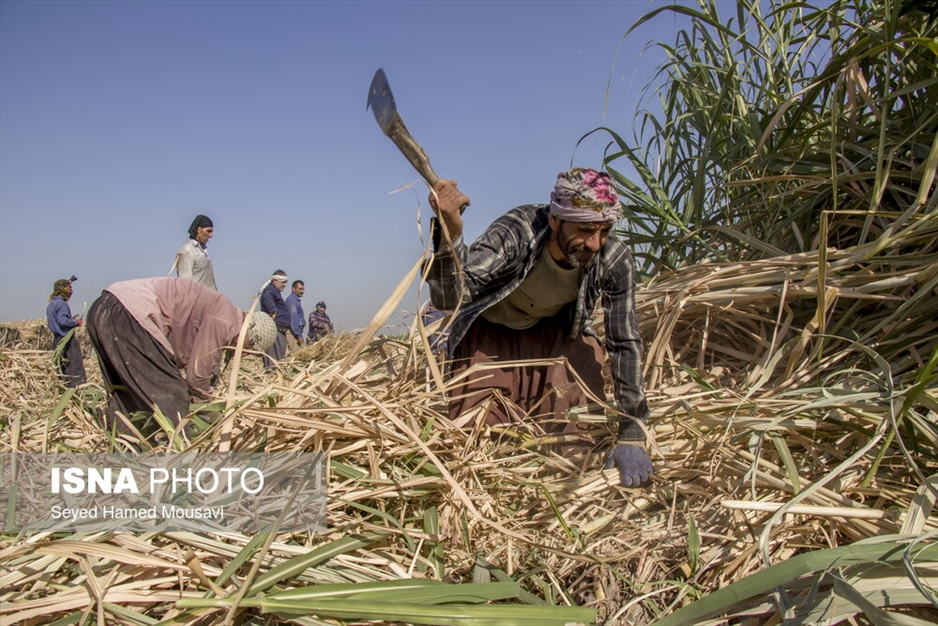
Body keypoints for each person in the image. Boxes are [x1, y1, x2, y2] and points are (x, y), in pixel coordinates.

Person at [426, 168, 654, 487]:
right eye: (585, 229)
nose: (594, 243)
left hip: (558, 333)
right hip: (493, 331)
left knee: (575, 444)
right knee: (482, 445)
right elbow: (451, 296)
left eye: (604, 230)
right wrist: (449, 233)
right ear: (555, 220)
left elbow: (625, 341)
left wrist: (633, 434)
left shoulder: (612, 258)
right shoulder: (517, 232)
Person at [86, 277, 277, 438]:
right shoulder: (226, 320)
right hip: (129, 313)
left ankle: (124, 453)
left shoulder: (221, 312)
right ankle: (180, 459)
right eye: (250, 347)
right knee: (173, 394)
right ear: (249, 333)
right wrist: (207, 412)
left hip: (103, 308)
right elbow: (197, 375)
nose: (243, 354)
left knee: (127, 395)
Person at [45, 276, 87, 387]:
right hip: (67, 340)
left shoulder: (51, 304)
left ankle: (63, 388)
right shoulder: (61, 304)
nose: (71, 291)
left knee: (62, 366)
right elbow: (63, 321)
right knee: (74, 365)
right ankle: (77, 389)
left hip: (57, 340)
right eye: (69, 288)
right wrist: (76, 322)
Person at [174, 214, 217, 289]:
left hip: (209, 299)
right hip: (196, 299)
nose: (211, 235)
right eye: (208, 231)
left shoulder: (202, 252)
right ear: (199, 230)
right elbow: (185, 284)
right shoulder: (187, 251)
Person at [260, 270, 290, 367]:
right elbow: (267, 297)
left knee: (278, 357)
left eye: (286, 282)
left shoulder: (275, 291)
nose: (284, 285)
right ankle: (272, 378)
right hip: (275, 330)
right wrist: (272, 310)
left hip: (279, 330)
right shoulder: (270, 290)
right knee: (274, 360)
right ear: (275, 280)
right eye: (283, 282)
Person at [285, 280, 306, 352]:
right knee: (295, 354)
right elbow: (293, 320)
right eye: (300, 289)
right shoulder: (292, 301)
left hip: (295, 332)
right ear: (293, 289)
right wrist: (299, 335)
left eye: (303, 289)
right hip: (292, 332)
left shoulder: (296, 300)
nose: (302, 291)